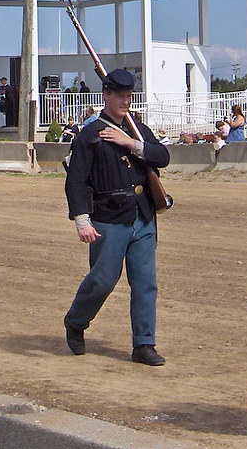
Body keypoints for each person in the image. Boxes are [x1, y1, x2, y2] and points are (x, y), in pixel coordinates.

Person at [63, 69, 171, 365]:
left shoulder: (137, 130)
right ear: (106, 95)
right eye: (120, 96)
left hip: (142, 215)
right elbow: (76, 179)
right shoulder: (90, 133)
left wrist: (131, 144)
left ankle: (144, 344)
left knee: (146, 282)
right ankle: (76, 321)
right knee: (103, 280)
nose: (126, 101)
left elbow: (162, 157)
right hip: (109, 217)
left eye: (129, 96)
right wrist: (81, 220)